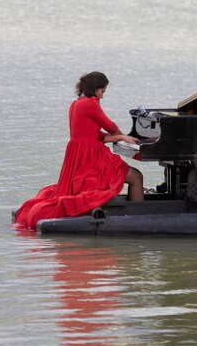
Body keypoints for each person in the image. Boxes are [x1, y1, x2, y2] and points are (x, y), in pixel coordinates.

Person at [14, 71, 143, 231]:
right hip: (91, 157)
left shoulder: (75, 104)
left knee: (131, 176)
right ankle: (139, 219)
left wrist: (121, 138)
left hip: (79, 154)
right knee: (136, 176)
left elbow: (95, 135)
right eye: (102, 91)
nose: (102, 96)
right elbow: (110, 126)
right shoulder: (90, 103)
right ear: (96, 89)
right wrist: (125, 137)